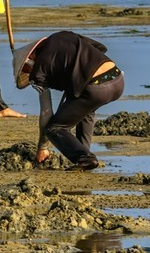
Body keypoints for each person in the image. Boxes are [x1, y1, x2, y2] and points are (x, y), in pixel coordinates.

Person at [12, 30, 125, 170]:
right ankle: (83, 153)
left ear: (29, 61)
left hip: (95, 89)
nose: (29, 74)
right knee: (85, 110)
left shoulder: (38, 73)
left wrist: (42, 147)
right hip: (117, 79)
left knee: (54, 128)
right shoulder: (63, 35)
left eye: (27, 71)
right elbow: (100, 48)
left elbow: (46, 112)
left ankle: (85, 158)